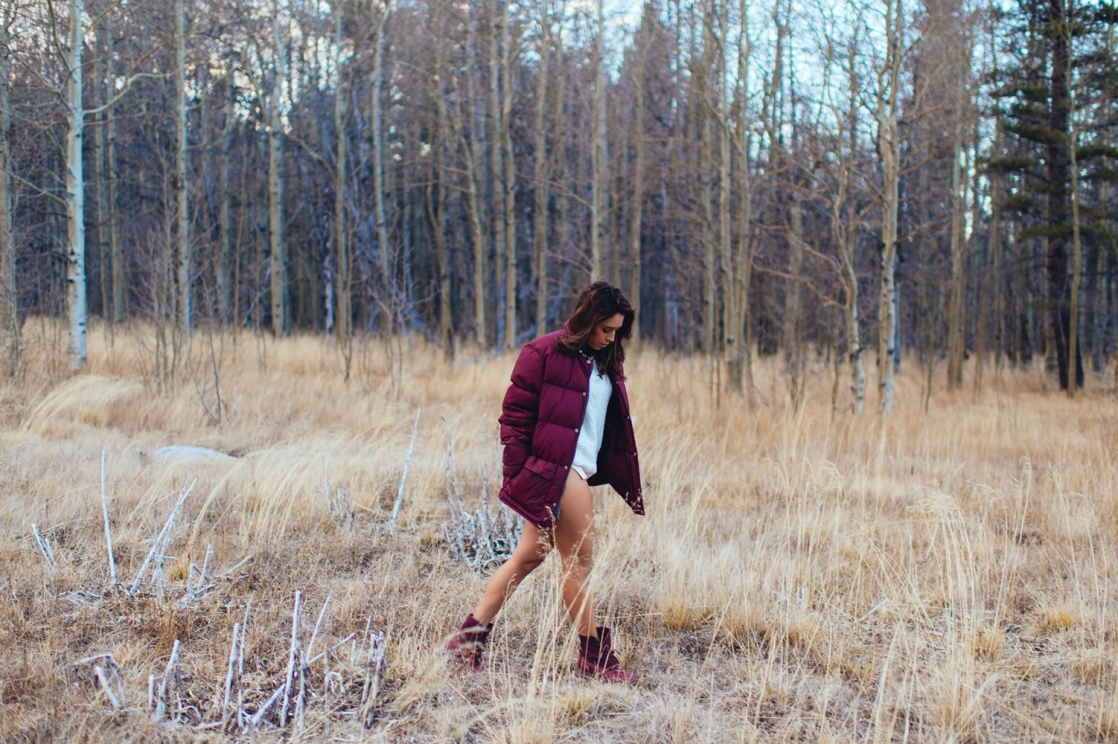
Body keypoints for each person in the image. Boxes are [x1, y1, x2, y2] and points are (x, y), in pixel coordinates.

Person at [446, 281, 644, 683]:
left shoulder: (606, 363)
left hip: (578, 470)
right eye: (606, 329)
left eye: (617, 332)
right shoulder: (543, 353)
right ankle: (594, 656)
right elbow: (514, 420)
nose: (611, 338)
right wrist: (520, 475)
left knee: (530, 555)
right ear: (587, 319)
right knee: (579, 564)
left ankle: (467, 639)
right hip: (556, 471)